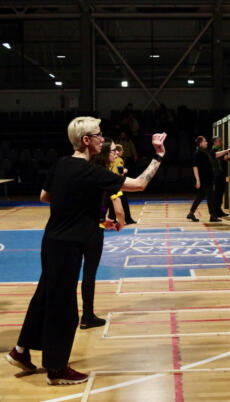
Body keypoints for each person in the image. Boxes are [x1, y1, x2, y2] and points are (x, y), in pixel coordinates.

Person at [5, 116, 167, 385]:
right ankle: (56, 370)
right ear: (86, 140)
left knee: (44, 297)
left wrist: (83, 212)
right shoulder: (91, 172)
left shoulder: (60, 164)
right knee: (65, 310)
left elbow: (45, 197)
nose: (102, 139)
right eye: (98, 134)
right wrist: (158, 156)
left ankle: (21, 350)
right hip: (68, 246)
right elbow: (139, 184)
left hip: (51, 242)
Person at [79, 138, 126, 330]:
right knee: (89, 274)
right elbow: (119, 210)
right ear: (105, 154)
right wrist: (120, 223)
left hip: (77, 228)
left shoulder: (86, 172)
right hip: (93, 232)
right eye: (113, 150)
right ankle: (87, 316)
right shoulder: (106, 176)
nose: (116, 153)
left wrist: (102, 218)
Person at [187, 136, 230, 222]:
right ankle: (213, 216)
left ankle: (191, 213)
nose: (206, 142)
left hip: (208, 178)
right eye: (204, 141)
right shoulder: (197, 153)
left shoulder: (205, 152)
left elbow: (216, 155)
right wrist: (197, 180)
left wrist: (227, 151)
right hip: (204, 179)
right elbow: (195, 167)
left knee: (200, 197)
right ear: (200, 143)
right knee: (210, 198)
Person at [110, 144, 136, 224]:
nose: (123, 151)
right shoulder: (119, 159)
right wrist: (125, 170)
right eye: (122, 150)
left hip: (110, 182)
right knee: (124, 202)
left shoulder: (109, 160)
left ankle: (112, 218)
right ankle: (128, 219)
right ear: (118, 151)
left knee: (110, 202)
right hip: (118, 183)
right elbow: (120, 171)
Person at [211, 136, 230, 217]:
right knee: (216, 194)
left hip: (221, 175)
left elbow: (226, 158)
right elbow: (217, 155)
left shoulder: (220, 150)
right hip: (215, 175)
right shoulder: (213, 151)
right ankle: (215, 212)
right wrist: (227, 151)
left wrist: (226, 157)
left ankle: (219, 210)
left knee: (220, 193)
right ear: (214, 142)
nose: (221, 142)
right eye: (219, 141)